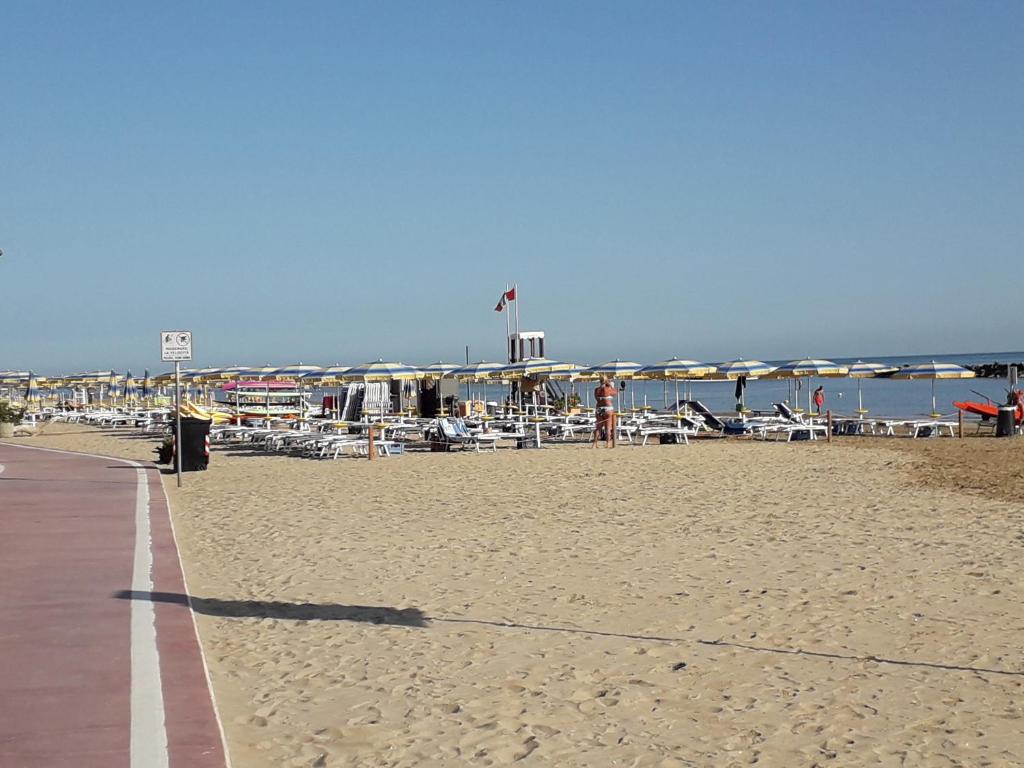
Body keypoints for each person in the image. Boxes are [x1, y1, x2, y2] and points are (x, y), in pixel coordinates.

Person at [592, 376, 617, 448]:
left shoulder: (597, 390)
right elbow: (615, 393)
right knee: (608, 427)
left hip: (599, 408)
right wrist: (610, 385)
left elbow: (597, 399)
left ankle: (594, 444)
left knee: (598, 427)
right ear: (606, 381)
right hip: (608, 408)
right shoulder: (608, 389)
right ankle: (608, 443)